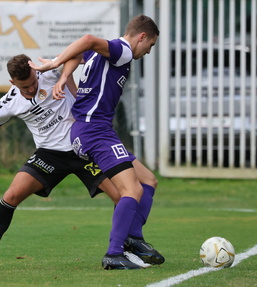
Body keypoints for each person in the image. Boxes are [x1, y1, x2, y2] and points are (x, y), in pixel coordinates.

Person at [0, 53, 163, 272]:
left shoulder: (48, 71)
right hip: (49, 155)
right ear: (12, 83)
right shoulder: (10, 101)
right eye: (24, 87)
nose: (31, 90)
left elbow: (74, 57)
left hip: (83, 149)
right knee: (11, 196)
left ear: (36, 72)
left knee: (123, 196)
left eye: (33, 83)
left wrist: (63, 75)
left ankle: (125, 251)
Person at [29, 14, 160, 270]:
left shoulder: (104, 54)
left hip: (88, 129)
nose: (148, 52)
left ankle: (133, 238)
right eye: (150, 45)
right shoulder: (122, 50)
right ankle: (115, 252)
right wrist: (56, 63)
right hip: (95, 131)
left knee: (148, 181)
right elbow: (87, 40)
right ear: (142, 36)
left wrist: (64, 77)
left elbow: (78, 56)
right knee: (131, 191)